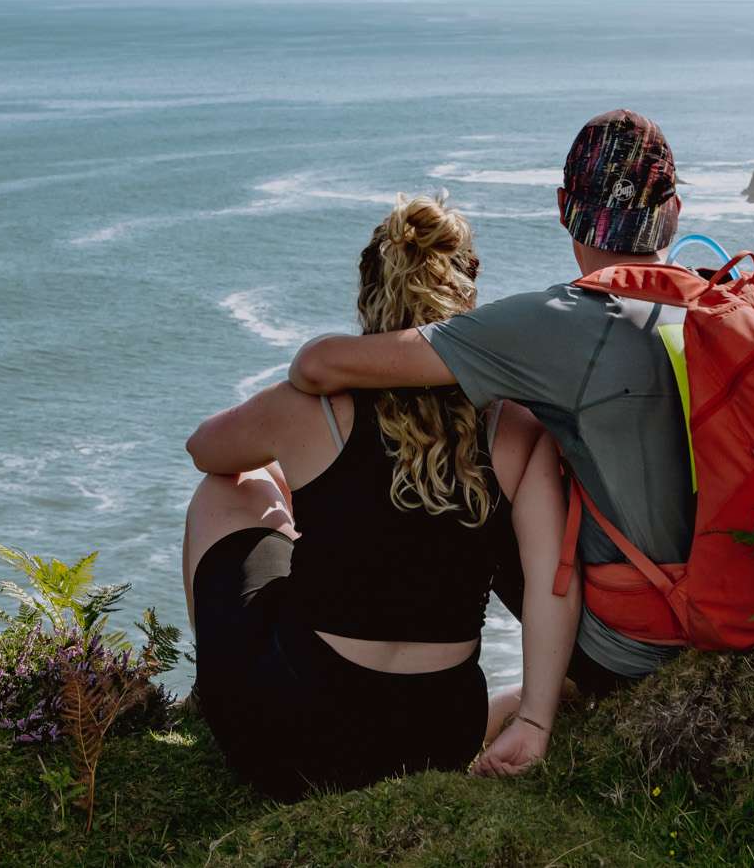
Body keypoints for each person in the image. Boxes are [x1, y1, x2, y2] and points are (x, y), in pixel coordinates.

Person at [182, 194, 578, 799]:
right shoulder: (516, 428)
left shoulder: (311, 407)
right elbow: (555, 580)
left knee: (234, 487)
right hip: (438, 736)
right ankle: (521, 708)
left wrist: (291, 485)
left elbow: (205, 451)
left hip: (296, 741)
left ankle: (217, 692)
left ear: (371, 293)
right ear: (466, 299)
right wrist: (536, 721)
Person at [290, 109, 694, 697]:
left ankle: (425, 682)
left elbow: (318, 365)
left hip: (629, 649)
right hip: (730, 608)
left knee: (500, 447)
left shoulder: (555, 325)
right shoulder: (717, 308)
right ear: (674, 212)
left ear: (563, 208)